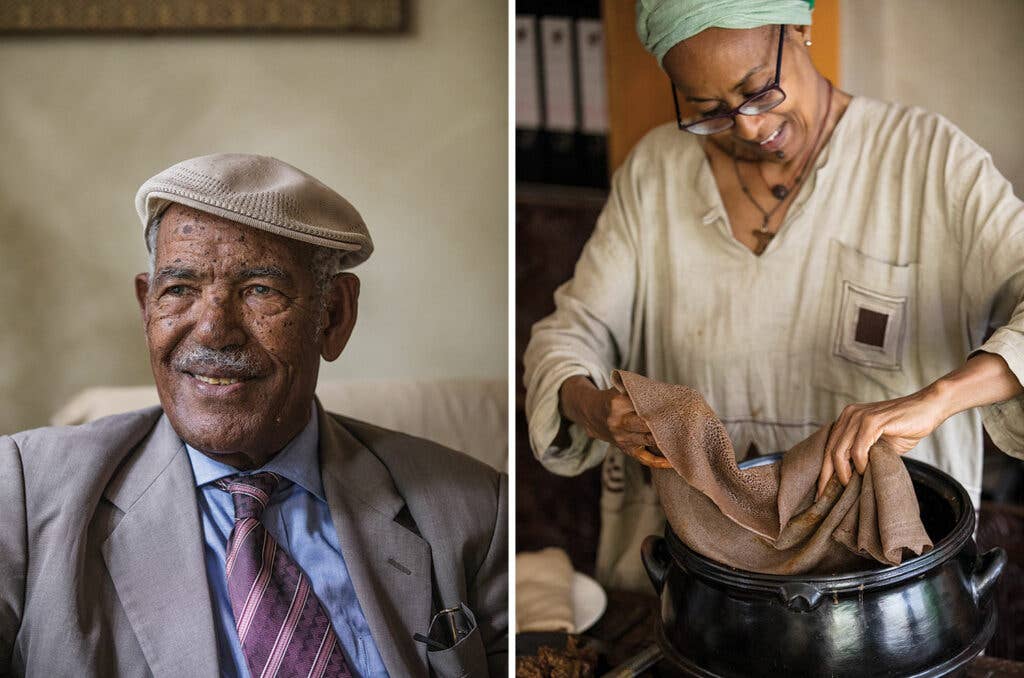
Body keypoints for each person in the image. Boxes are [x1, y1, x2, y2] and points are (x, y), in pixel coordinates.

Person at [523, 0, 1024, 592]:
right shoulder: (656, 173)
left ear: (800, 28)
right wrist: (592, 406)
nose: (749, 128)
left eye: (759, 90)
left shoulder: (930, 162)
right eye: (708, 110)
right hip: (700, 585)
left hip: (891, 591)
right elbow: (569, 333)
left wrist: (939, 399)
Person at [0, 153, 508, 677]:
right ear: (146, 307)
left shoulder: (478, 512)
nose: (215, 330)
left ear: (333, 316)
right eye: (179, 290)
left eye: (259, 291)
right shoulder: (22, 494)